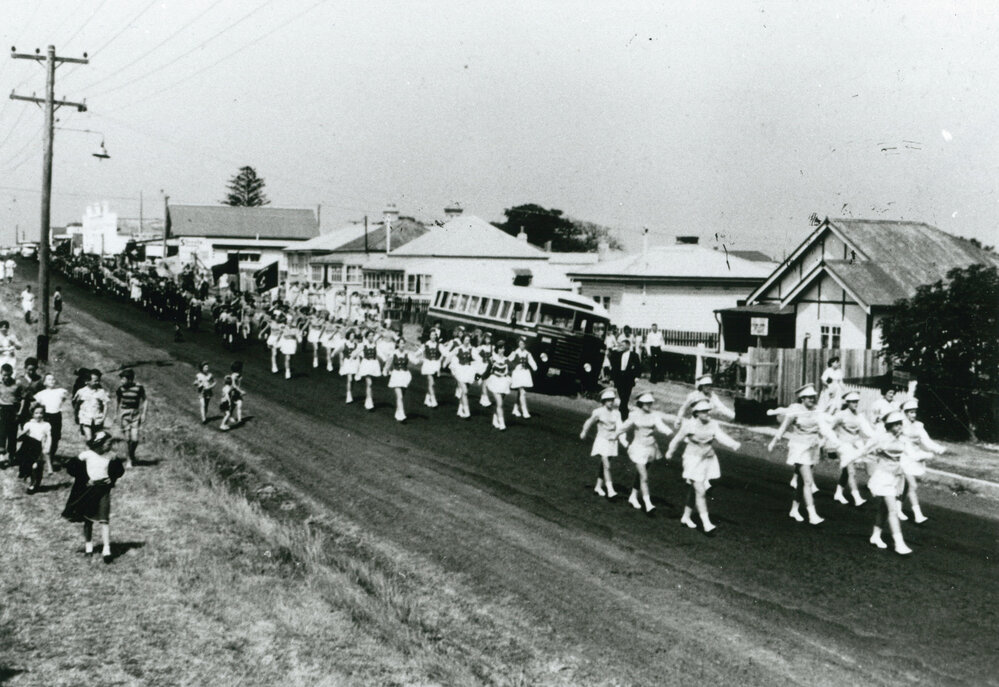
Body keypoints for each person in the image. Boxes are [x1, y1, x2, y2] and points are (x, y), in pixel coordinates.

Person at [666, 399, 741, 533]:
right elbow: (676, 440)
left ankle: (686, 517)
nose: (708, 413)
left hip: (708, 460)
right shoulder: (689, 425)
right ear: (696, 413)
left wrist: (733, 444)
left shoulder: (713, 424)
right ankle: (706, 524)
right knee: (700, 490)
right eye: (704, 411)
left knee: (696, 489)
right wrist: (670, 451)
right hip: (692, 460)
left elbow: (721, 436)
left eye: (708, 410)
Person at [768, 384, 837, 525]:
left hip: (813, 447)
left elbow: (825, 427)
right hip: (799, 448)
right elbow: (784, 427)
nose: (812, 399)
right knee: (808, 481)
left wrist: (835, 440)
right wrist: (774, 441)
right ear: (802, 398)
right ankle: (812, 515)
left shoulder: (817, 410)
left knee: (801, 482)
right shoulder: (795, 410)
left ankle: (794, 509)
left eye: (813, 397)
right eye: (809, 397)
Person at [62, 431, 124, 564]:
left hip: (103, 490)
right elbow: (70, 467)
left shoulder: (111, 456)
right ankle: (88, 547)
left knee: (104, 519)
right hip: (89, 491)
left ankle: (106, 549)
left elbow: (119, 471)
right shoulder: (87, 455)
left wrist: (111, 479)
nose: (110, 445)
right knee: (88, 520)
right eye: (108, 443)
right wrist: (85, 479)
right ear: (99, 444)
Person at [862, 412, 913, 555]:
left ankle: (875, 535)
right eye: (896, 424)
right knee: (893, 510)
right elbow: (866, 450)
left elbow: (909, 454)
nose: (899, 427)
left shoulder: (902, 439)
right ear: (889, 426)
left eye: (900, 424)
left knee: (884, 509)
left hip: (895, 477)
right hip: (883, 477)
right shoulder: (882, 438)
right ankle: (899, 544)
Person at [614, 392, 672, 514]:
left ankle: (633, 496)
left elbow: (661, 426)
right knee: (644, 477)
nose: (649, 405)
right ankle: (648, 503)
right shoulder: (634, 415)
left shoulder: (654, 415)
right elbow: (624, 427)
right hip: (638, 448)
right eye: (646, 403)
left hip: (651, 448)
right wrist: (615, 436)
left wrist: (668, 431)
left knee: (641, 475)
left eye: (650, 403)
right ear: (641, 403)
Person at [898, 399, 945, 524]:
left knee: (907, 486)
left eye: (915, 412)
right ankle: (918, 515)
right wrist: (920, 455)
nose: (913, 415)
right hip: (904, 458)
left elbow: (926, 440)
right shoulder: (900, 425)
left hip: (914, 458)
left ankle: (897, 508)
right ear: (906, 413)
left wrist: (938, 449)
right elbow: (903, 444)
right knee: (912, 485)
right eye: (911, 412)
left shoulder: (919, 425)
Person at [829, 390, 875, 507]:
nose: (855, 404)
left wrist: (878, 439)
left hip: (854, 446)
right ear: (848, 402)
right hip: (843, 446)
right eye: (853, 402)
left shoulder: (859, 416)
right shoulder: (840, 415)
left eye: (857, 401)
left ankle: (838, 493)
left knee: (846, 471)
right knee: (851, 471)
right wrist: (830, 446)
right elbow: (829, 429)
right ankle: (857, 498)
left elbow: (868, 431)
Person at [579, 388, 622, 498]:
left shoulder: (617, 413)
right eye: (608, 400)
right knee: (607, 465)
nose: (611, 402)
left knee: (604, 465)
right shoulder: (598, 412)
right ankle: (610, 490)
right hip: (601, 441)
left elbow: (620, 427)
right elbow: (589, 422)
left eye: (612, 400)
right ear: (603, 401)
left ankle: (598, 487)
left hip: (612, 441)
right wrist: (584, 431)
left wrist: (622, 438)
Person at [33, 372, 68, 473]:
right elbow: (36, 404)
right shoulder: (41, 394)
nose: (52, 381)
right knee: (45, 437)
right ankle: (42, 459)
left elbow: (63, 399)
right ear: (44, 382)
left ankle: (50, 458)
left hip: (56, 416)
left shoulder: (60, 391)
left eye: (53, 379)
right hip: (46, 416)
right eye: (49, 379)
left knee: (55, 438)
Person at [115, 369, 147, 468]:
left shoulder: (139, 387)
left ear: (130, 379)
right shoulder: (120, 389)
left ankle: (131, 454)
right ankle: (129, 460)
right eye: (121, 379)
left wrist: (144, 413)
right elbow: (117, 401)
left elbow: (145, 400)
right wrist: (116, 414)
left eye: (123, 379)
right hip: (124, 414)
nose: (121, 381)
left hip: (135, 414)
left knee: (135, 439)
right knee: (128, 438)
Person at [17, 403, 51, 494]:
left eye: (41, 413)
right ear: (32, 414)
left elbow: (49, 437)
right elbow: (23, 435)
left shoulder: (46, 425)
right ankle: (32, 483)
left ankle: (35, 484)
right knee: (30, 467)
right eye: (36, 413)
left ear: (44, 414)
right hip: (29, 448)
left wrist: (47, 447)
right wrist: (23, 434)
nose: (39, 415)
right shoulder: (29, 424)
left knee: (36, 467)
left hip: (40, 447)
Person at [384, 335, 418, 422]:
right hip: (396, 375)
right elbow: (388, 363)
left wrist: (421, 351)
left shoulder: (407, 353)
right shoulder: (393, 353)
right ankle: (402, 414)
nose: (403, 345)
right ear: (398, 344)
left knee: (401, 396)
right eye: (401, 343)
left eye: (404, 343)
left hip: (405, 376)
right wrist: (385, 370)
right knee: (399, 396)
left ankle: (398, 412)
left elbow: (415, 361)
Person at [607, 337, 641, 420]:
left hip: (628, 378)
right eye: (620, 345)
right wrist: (612, 379)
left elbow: (638, 367)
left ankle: (623, 411)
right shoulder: (617, 354)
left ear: (628, 346)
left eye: (623, 345)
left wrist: (637, 377)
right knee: (621, 394)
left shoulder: (634, 355)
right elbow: (614, 367)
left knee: (626, 395)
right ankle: (624, 409)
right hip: (619, 377)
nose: (621, 347)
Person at [73, 370, 110, 442]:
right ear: (87, 381)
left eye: (99, 380)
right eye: (95, 381)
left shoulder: (101, 392)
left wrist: (103, 417)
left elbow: (105, 405)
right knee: (89, 439)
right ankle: (90, 451)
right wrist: (76, 416)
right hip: (85, 418)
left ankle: (93, 451)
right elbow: (76, 405)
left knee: (97, 439)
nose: (97, 383)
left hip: (97, 419)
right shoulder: (81, 392)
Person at [508, 336, 538, 420]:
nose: (522, 345)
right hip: (517, 374)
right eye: (520, 344)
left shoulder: (527, 353)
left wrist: (535, 367)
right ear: (518, 344)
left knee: (520, 392)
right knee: (522, 392)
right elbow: (507, 361)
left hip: (524, 374)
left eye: (523, 344)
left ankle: (515, 409)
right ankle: (525, 411)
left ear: (525, 345)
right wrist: (515, 366)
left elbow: (532, 362)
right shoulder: (515, 352)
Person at [448, 333, 477, 419]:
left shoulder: (472, 349)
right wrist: (444, 363)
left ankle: (460, 410)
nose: (467, 341)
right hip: (459, 371)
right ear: (463, 340)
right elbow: (450, 356)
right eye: (466, 340)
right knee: (465, 391)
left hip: (468, 371)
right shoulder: (458, 349)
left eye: (468, 340)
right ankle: (467, 412)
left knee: (464, 391)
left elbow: (477, 358)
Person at [0, 363, 23, 467]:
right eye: (4, 375)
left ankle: (11, 455)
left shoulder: (16, 385)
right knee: (2, 433)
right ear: (1, 374)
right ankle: (1, 456)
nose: (6, 377)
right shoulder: (0, 385)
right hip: (2, 410)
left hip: (13, 410)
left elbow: (22, 399)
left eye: (8, 375)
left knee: (12, 434)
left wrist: (19, 412)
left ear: (12, 374)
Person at [354, 329, 383, 411]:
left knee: (371, 384)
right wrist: (352, 357)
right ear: (366, 337)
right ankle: (369, 401)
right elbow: (355, 352)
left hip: (374, 365)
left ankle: (368, 398)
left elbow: (379, 352)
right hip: (366, 365)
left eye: (372, 335)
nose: (371, 337)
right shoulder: (363, 345)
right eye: (369, 335)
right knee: (369, 383)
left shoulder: (375, 345)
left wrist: (385, 358)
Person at [420, 329, 443, 408]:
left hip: (436, 365)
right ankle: (433, 400)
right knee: (431, 382)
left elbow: (445, 353)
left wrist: (440, 360)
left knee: (432, 384)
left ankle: (427, 399)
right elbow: (418, 352)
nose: (433, 336)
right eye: (432, 335)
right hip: (428, 365)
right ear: (429, 336)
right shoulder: (425, 344)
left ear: (436, 336)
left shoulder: (439, 345)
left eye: (435, 335)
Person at [338, 329, 360, 404]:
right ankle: (348, 395)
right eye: (351, 336)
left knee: (353, 380)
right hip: (347, 362)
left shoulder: (356, 345)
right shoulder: (344, 344)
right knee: (350, 379)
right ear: (348, 336)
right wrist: (341, 366)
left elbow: (358, 355)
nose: (352, 337)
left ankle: (350, 392)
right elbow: (341, 355)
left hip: (354, 363)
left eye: (353, 336)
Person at [474, 332, 493, 408]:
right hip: (482, 366)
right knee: (484, 382)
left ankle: (482, 399)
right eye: (486, 338)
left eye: (489, 338)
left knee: (485, 383)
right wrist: (479, 360)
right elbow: (474, 353)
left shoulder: (493, 347)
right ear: (484, 339)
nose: (488, 340)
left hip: (489, 367)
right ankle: (486, 399)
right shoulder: (481, 347)